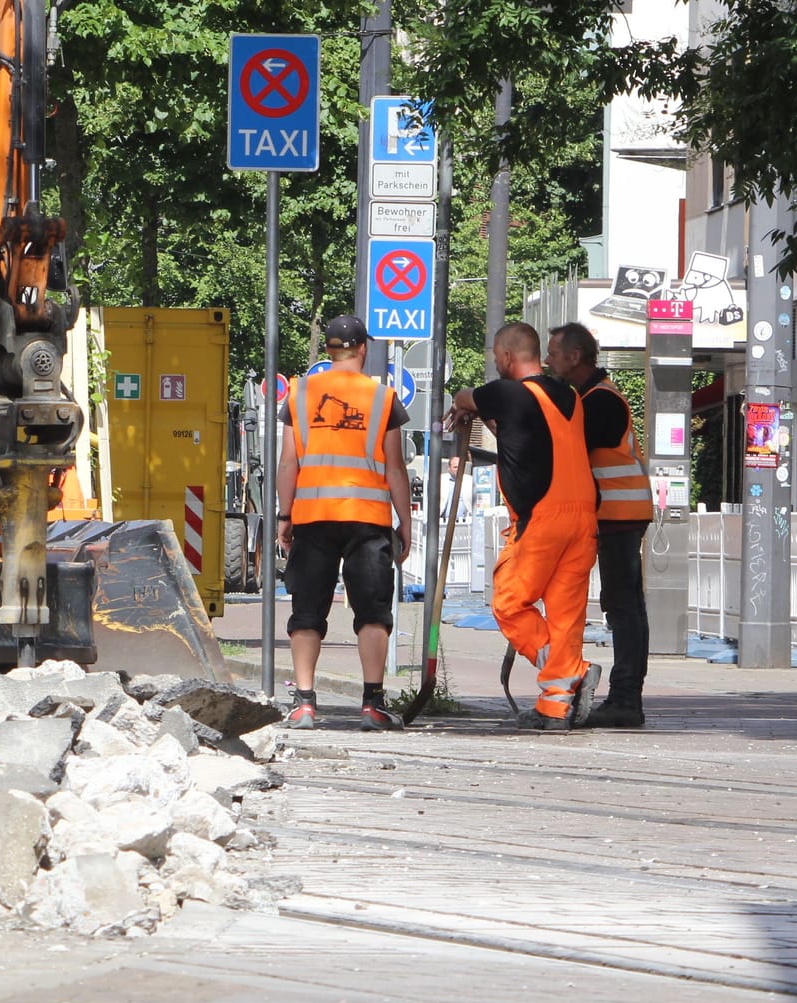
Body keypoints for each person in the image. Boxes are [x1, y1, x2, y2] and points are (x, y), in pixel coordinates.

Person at [448, 321, 601, 731]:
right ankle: (555, 707)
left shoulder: (506, 392)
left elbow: (465, 396)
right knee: (565, 616)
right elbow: (531, 436)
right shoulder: (567, 394)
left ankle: (573, 672)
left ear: (507, 356)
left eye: (496, 356)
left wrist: (466, 404)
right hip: (583, 516)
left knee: (509, 603)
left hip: (543, 519)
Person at [275, 314, 413, 732]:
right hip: (367, 519)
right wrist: (404, 521)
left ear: (330, 351)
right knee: (372, 611)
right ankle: (372, 704)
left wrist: (285, 515)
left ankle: (303, 704)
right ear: (363, 350)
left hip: (313, 518)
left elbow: (287, 463)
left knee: (306, 610)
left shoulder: (298, 395)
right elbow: (395, 467)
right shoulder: (382, 397)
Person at [547, 321, 653, 729]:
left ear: (575, 357)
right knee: (618, 604)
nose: (548, 360)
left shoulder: (599, 402)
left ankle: (627, 697)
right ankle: (617, 694)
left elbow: (566, 449)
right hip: (608, 515)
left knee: (623, 605)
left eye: (554, 354)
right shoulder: (589, 397)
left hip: (619, 516)